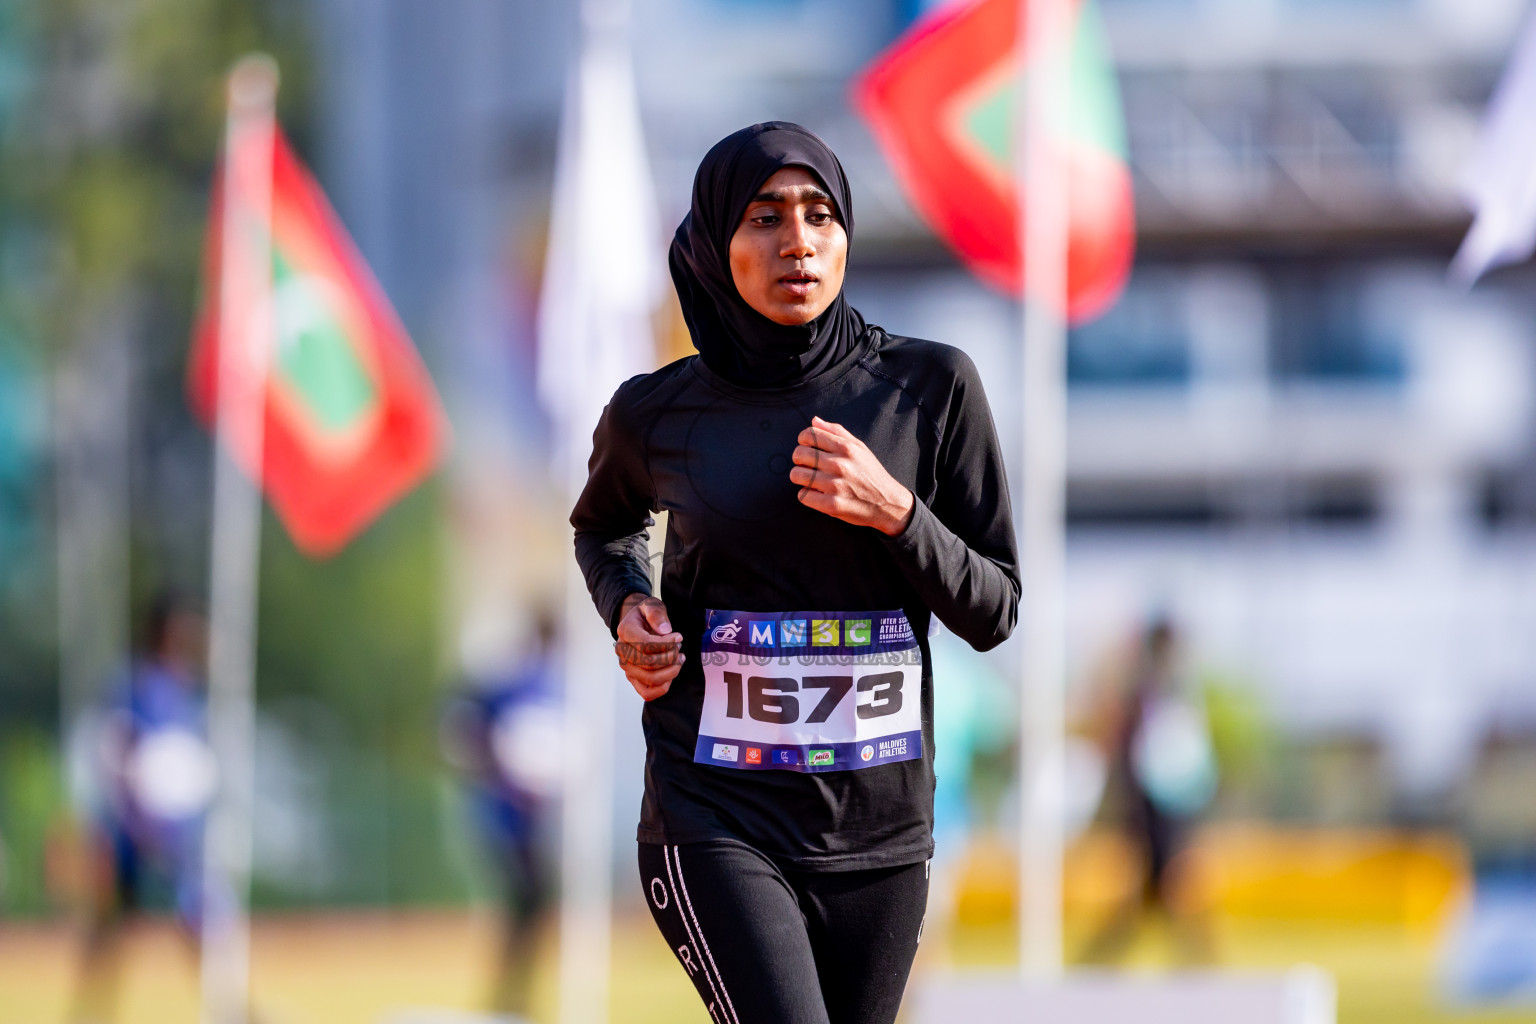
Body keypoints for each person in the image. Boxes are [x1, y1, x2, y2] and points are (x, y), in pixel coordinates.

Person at [572, 122, 1018, 1024]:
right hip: (716, 813)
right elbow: (604, 529)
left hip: (879, 835)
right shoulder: (656, 412)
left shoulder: (929, 389)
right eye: (765, 218)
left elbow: (994, 607)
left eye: (820, 214)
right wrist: (630, 608)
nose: (798, 242)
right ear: (712, 242)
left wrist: (894, 512)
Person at [441, 608, 563, 1019]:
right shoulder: (519, 683)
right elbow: (464, 716)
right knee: (526, 902)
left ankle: (513, 996)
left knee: (530, 906)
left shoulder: (549, 684)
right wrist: (488, 764)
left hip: (528, 821)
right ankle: (508, 997)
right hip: (505, 820)